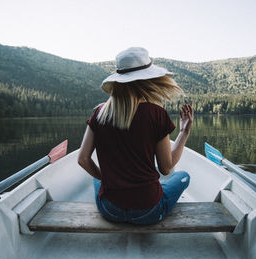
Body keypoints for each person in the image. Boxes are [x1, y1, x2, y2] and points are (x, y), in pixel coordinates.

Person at [78, 47, 194, 225]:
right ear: (147, 81)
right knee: (183, 176)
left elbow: (83, 160)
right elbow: (166, 168)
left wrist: (108, 179)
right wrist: (184, 132)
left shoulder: (99, 114)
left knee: (96, 177)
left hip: (110, 210)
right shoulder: (157, 114)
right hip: (148, 211)